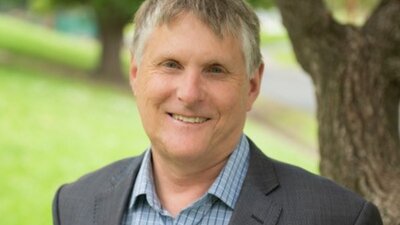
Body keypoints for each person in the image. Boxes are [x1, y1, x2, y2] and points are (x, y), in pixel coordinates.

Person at [52, 0, 383, 224]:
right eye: (171, 64)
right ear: (136, 74)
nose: (189, 93)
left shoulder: (337, 218)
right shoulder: (76, 206)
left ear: (252, 85)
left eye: (215, 70)